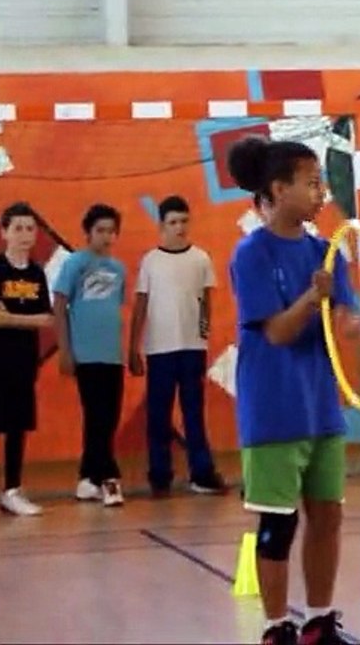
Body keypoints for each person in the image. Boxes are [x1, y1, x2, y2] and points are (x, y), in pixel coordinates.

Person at [228, 135, 360, 645]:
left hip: (321, 405)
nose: (320, 192)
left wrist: (350, 319)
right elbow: (279, 333)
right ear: (279, 189)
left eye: (321, 182)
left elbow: (343, 321)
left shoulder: (326, 253)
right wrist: (312, 298)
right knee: (278, 523)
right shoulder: (252, 254)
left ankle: (319, 620)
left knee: (328, 514)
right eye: (311, 183)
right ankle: (275, 625)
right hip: (274, 407)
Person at [128, 195, 227, 498]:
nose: (179, 227)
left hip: (192, 348)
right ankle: (160, 475)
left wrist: (203, 335)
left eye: (184, 221)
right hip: (159, 349)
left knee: (193, 412)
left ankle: (202, 472)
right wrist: (134, 346)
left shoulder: (200, 258)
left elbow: (205, 301)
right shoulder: (151, 261)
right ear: (162, 225)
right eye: (173, 222)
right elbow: (141, 304)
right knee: (158, 414)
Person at [53, 203, 129, 506]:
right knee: (96, 416)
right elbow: (60, 305)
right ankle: (107, 478)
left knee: (109, 417)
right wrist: (65, 349)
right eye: (100, 230)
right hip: (86, 354)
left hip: (112, 355)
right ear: (88, 232)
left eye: (111, 231)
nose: (106, 236)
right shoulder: (75, 263)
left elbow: (114, 308)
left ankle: (88, 478)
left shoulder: (118, 269)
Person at [0, 203, 54, 516]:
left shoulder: (37, 272)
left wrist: (12, 317)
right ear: (4, 232)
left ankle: (11, 490)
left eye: (30, 228)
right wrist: (27, 319)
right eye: (18, 228)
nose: (25, 234)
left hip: (24, 362)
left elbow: (48, 319)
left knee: (17, 427)